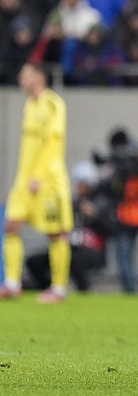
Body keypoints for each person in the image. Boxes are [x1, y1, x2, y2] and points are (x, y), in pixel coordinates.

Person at [0, 62, 74, 304]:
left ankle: (59, 289)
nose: (21, 78)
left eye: (26, 74)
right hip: (24, 180)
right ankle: (12, 284)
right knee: (11, 226)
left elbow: (53, 143)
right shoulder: (29, 105)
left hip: (47, 181)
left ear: (40, 77)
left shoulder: (53, 104)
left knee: (56, 233)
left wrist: (38, 176)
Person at [26, 161, 113, 292]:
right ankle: (48, 288)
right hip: (69, 247)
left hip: (92, 250)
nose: (78, 187)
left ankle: (83, 290)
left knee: (73, 259)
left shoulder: (101, 203)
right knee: (34, 261)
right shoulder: (72, 204)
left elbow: (111, 229)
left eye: (82, 183)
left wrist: (94, 216)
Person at [93, 127, 138, 293]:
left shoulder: (126, 164)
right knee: (128, 256)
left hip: (125, 217)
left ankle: (130, 290)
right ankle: (130, 288)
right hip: (136, 217)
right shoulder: (135, 160)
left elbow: (112, 187)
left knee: (124, 256)